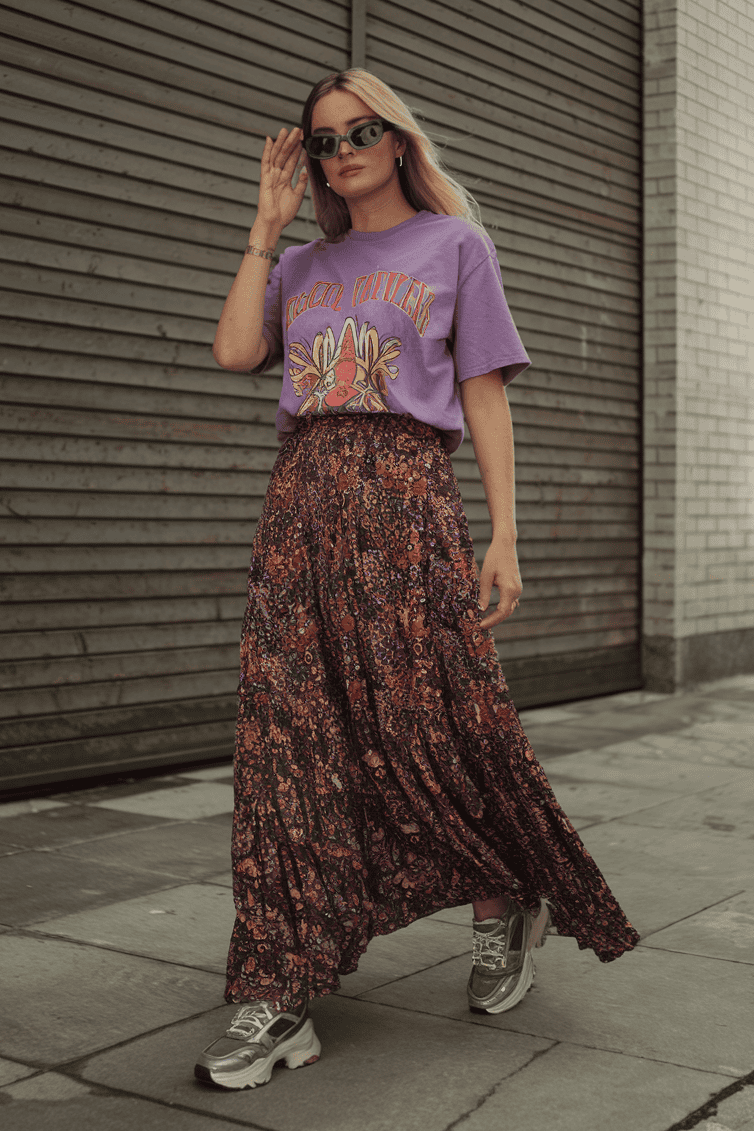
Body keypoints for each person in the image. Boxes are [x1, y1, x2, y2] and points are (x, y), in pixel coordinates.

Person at [194, 68, 640, 1091]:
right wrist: (264, 226)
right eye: (322, 140)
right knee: (284, 742)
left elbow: (483, 396)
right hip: (300, 509)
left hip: (405, 502)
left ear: (397, 140)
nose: (342, 149)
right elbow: (232, 353)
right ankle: (280, 985)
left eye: (361, 131)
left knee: (429, 726)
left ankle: (504, 896)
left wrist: (504, 536)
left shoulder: (455, 247)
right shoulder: (304, 261)